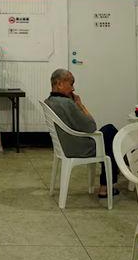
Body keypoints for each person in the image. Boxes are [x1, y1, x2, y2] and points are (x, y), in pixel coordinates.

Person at [44, 69, 119, 198]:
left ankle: (109, 179)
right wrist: (80, 105)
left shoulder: (49, 101)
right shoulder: (67, 103)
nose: (73, 88)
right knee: (111, 133)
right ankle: (106, 186)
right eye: (71, 84)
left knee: (108, 138)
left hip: (64, 146)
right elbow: (91, 126)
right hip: (80, 148)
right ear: (60, 84)